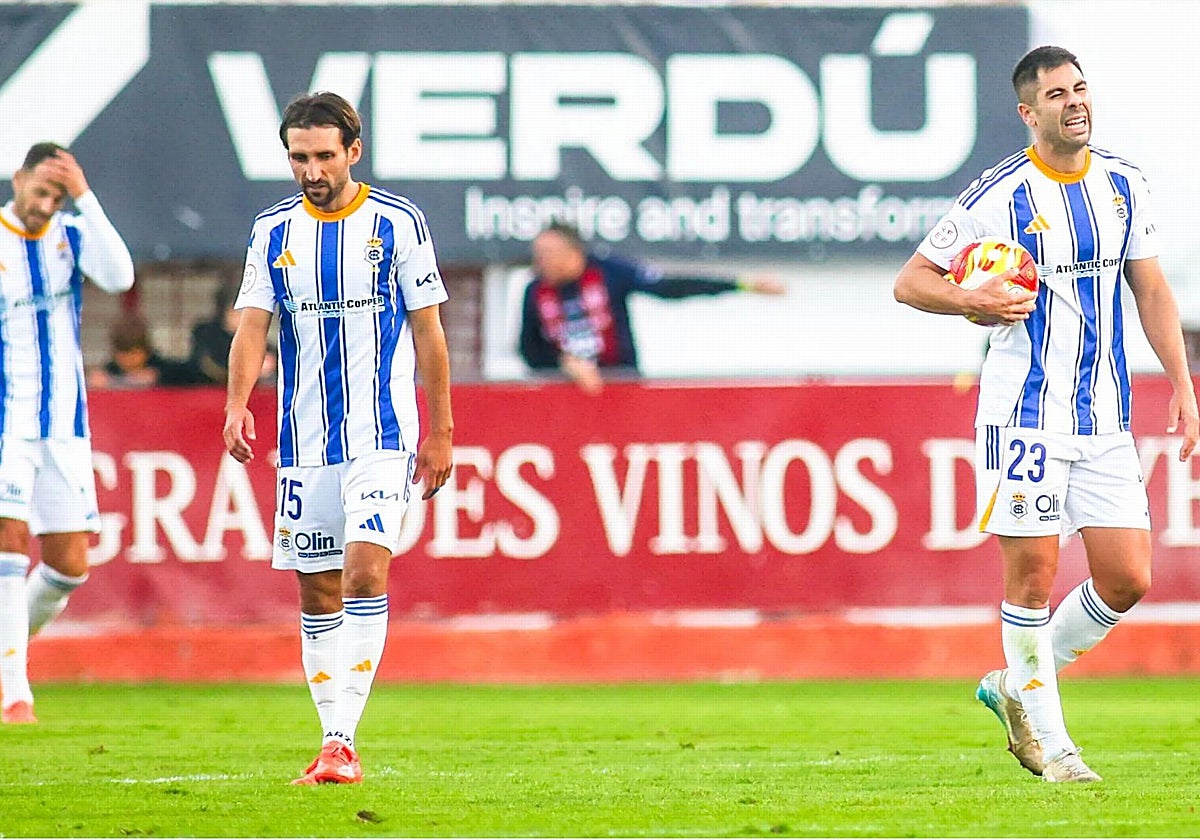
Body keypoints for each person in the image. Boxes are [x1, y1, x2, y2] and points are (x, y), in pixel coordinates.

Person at [894, 46, 1199, 783]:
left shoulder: (1125, 185)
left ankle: (1017, 683)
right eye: (1058, 94)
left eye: (1082, 88)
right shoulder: (997, 196)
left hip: (1103, 416)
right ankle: (1056, 749)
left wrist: (1184, 387)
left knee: (1127, 578)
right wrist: (969, 299)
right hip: (1023, 414)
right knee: (1031, 578)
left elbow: (1150, 291)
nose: (1076, 102)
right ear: (1029, 112)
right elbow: (910, 282)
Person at [222, 91, 453, 785]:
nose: (312, 169)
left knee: (363, 573)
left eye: (325, 155)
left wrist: (441, 430)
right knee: (318, 591)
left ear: (354, 152)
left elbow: (430, 331)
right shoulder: (271, 230)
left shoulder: (398, 221)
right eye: (299, 157)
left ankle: (343, 742)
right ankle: (331, 739)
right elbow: (254, 325)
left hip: (383, 433)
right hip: (303, 439)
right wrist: (237, 405)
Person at [0, 143, 135, 723]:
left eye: (58, 196)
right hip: (7, 422)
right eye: (42, 191)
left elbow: (120, 274)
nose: (46, 204)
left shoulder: (71, 235)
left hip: (64, 427)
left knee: (68, 566)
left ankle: (6, 659)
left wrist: (85, 198)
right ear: (17, 178)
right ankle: (14, 693)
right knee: (9, 543)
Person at [519, 221, 784, 393]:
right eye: (537, 254)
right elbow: (528, 350)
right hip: (563, 397)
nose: (539, 262)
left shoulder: (608, 271)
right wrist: (563, 364)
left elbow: (671, 287)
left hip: (623, 387)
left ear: (573, 252)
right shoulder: (535, 291)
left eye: (547, 254)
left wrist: (741, 284)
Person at [187, 278, 276, 386]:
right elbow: (207, 365)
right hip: (208, 390)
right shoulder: (207, 334)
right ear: (226, 311)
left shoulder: (254, 337)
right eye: (239, 311)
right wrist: (250, 370)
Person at [86, 311, 201, 389]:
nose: (128, 359)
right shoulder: (109, 371)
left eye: (134, 353)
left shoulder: (164, 368)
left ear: (146, 350)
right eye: (123, 353)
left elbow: (195, 374)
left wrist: (160, 377)